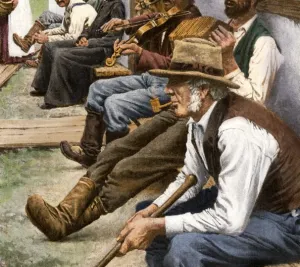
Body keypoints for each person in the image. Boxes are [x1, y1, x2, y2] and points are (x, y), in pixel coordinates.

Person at [24, 0, 282, 242]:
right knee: (119, 148)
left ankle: (69, 223)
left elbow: (256, 103)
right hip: (194, 108)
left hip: (217, 123)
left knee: (136, 164)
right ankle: (66, 209)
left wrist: (227, 60)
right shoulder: (225, 30)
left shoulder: (264, 43)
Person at [115, 38, 300, 267]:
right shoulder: (199, 118)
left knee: (186, 248)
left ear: (202, 90)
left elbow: (230, 220)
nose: (167, 90)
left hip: (287, 221)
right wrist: (154, 210)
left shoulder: (237, 130)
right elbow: (190, 179)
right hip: (250, 203)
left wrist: (158, 224)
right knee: (146, 211)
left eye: (175, 84)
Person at [60, 0, 201, 166]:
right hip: (153, 76)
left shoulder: (193, 23)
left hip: (173, 87)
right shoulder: (172, 13)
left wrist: (139, 51)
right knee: (98, 88)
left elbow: (176, 66)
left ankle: (113, 162)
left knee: (114, 104)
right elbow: (153, 17)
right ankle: (90, 153)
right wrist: (125, 23)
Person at [31, 0, 125, 109]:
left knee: (61, 54)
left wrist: (90, 42)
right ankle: (43, 87)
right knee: (49, 46)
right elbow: (90, 28)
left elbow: (114, 39)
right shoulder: (104, 4)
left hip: (102, 50)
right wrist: (83, 37)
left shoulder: (117, 6)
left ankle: (58, 99)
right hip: (90, 43)